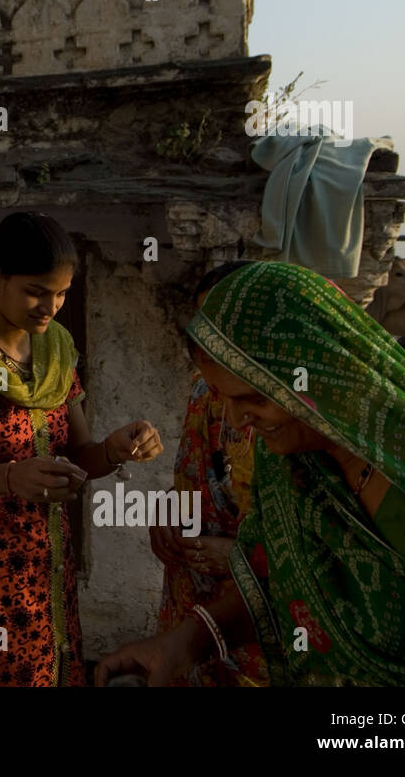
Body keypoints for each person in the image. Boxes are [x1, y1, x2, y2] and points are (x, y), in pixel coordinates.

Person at [98, 261, 405, 686]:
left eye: (254, 398)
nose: (235, 421)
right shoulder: (291, 463)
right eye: (222, 398)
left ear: (319, 375)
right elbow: (285, 587)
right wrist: (186, 641)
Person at [0, 212, 163, 686]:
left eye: (61, 293)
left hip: (46, 577)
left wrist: (116, 449)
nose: (50, 307)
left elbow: (80, 456)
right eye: (36, 291)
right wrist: (8, 477)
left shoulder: (56, 351)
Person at [150, 259, 269, 686]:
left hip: (259, 615)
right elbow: (194, 474)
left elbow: (320, 544)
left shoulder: (289, 417)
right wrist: (166, 512)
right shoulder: (205, 392)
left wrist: (239, 556)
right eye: (205, 327)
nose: (213, 342)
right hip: (190, 595)